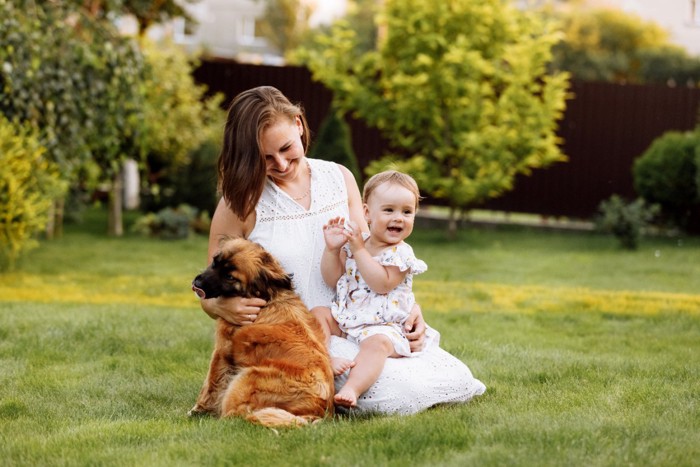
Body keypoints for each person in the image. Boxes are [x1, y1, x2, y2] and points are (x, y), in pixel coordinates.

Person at [199, 85, 485, 415]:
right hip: (296, 338)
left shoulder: (338, 177)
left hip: (357, 320)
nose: (280, 163)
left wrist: (407, 306)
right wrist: (221, 308)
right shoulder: (239, 202)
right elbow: (207, 286)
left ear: (299, 124)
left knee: (455, 378)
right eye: (265, 158)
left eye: (286, 148)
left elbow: (372, 252)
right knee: (398, 393)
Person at [317, 171, 434, 408]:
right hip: (349, 318)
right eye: (389, 210)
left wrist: (358, 250)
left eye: (407, 211)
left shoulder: (400, 253)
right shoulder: (358, 243)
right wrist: (331, 251)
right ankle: (323, 357)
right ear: (367, 213)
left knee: (377, 345)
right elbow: (333, 278)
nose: (398, 218)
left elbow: (381, 284)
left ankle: (352, 387)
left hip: (384, 325)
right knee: (319, 314)